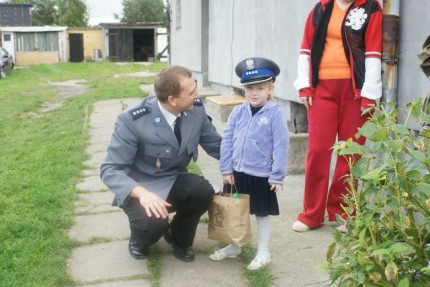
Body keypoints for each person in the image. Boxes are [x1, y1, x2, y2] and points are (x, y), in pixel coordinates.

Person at [100, 65, 222, 262]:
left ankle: (179, 238)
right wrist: (142, 194)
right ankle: (140, 239)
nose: (197, 94)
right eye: (192, 92)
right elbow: (110, 169)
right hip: (140, 186)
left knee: (202, 191)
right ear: (172, 100)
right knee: (153, 224)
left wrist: (249, 165)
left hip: (173, 178)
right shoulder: (133, 120)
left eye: (196, 87)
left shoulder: (195, 110)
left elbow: (216, 145)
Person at [291, 0, 383, 232]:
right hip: (322, 90)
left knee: (350, 152)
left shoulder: (371, 8)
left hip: (356, 91)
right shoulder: (320, 9)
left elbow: (373, 52)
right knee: (318, 150)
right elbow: (306, 49)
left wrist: (369, 95)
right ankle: (311, 214)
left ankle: (343, 212)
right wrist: (304, 86)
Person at [209, 57, 290, 270]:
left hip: (262, 174)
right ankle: (234, 246)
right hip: (236, 172)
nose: (254, 93)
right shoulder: (237, 111)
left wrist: (277, 175)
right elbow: (227, 139)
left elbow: (281, 145)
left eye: (260, 88)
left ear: (271, 89)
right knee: (235, 209)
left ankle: (264, 252)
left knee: (261, 212)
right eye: (249, 88)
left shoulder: (275, 114)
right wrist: (226, 168)